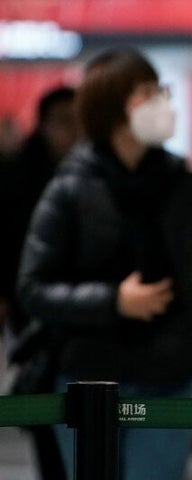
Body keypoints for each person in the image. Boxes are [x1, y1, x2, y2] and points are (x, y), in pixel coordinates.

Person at [16, 47, 192, 479]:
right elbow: (34, 288)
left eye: (160, 90)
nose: (162, 102)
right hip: (88, 379)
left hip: (170, 378)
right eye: (147, 93)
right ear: (112, 108)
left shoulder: (182, 185)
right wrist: (113, 301)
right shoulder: (70, 188)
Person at [0, 86, 78, 480]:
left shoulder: (94, 173)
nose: (74, 132)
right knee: (49, 409)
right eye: (64, 122)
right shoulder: (16, 177)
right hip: (33, 318)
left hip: (85, 319)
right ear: (44, 125)